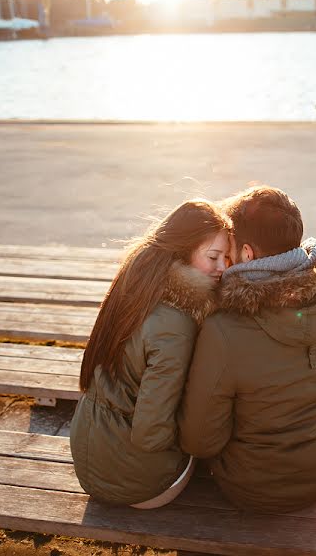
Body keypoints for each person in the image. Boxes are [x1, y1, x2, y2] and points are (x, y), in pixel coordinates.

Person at [178, 186, 316, 513]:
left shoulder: (225, 329)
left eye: (230, 251)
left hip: (254, 486)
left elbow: (199, 441)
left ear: (247, 255)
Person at [69, 199, 231, 508]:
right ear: (182, 251)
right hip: (138, 483)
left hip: (89, 458)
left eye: (227, 257)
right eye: (213, 256)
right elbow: (150, 434)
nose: (222, 267)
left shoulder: (134, 285)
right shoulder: (176, 325)